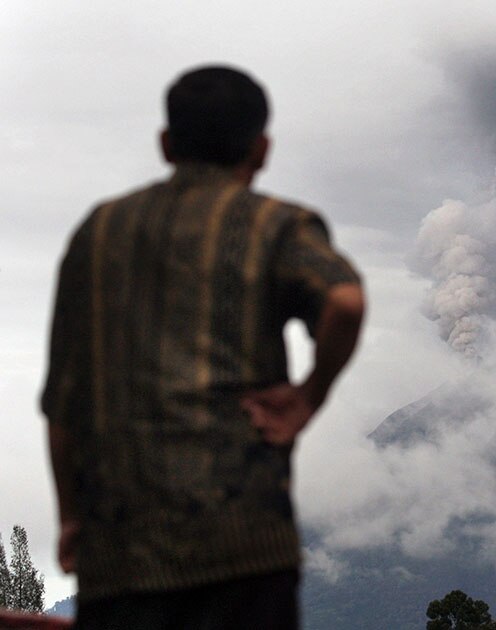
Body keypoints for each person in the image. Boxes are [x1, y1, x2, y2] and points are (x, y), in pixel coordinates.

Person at [40, 65, 365, 629]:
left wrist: (71, 516)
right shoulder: (275, 226)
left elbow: (64, 402)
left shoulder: (97, 232)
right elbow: (346, 301)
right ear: (261, 150)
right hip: (242, 551)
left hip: (119, 554)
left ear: (166, 143)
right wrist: (309, 397)